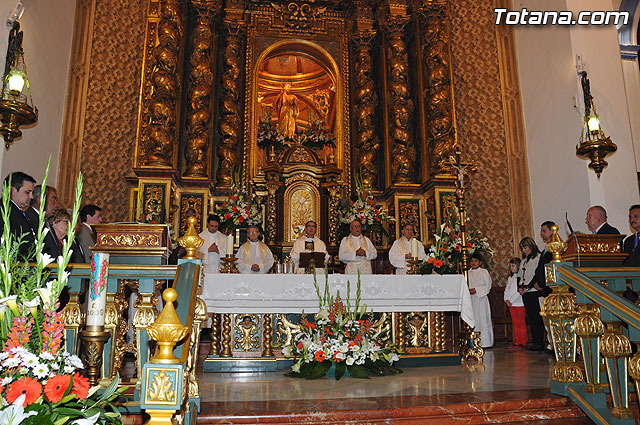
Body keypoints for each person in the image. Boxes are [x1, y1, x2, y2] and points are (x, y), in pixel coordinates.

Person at [517, 236, 544, 352]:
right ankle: (535, 341)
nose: (524, 250)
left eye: (525, 247)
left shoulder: (537, 258)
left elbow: (536, 275)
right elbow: (519, 276)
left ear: (531, 246)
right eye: (522, 248)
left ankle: (540, 342)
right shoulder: (523, 261)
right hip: (525, 292)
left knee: (537, 318)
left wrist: (528, 287)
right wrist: (519, 287)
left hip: (533, 291)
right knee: (531, 318)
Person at [2, 171, 36, 260]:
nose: (31, 197)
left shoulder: (17, 210)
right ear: (13, 190)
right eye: (27, 192)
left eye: (32, 192)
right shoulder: (5, 211)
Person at [467, 252, 493, 348]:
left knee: (482, 319)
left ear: (480, 262)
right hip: (471, 300)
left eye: (476, 261)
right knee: (473, 320)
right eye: (472, 261)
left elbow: (488, 285)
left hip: (481, 299)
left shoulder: (483, 272)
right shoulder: (467, 273)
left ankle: (485, 342)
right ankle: (472, 342)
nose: (473, 263)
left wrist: (476, 290)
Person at [26, 185, 59, 259]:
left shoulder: (45, 221)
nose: (57, 205)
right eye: (54, 199)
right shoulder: (28, 219)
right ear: (41, 199)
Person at [504, 257, 527, 350]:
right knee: (515, 323)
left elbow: (519, 292)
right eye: (510, 266)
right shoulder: (510, 278)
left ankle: (523, 341)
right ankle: (517, 341)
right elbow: (507, 290)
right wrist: (506, 299)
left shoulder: (520, 278)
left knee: (521, 323)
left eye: (513, 266)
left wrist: (511, 300)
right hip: (511, 305)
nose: (511, 268)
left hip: (519, 303)